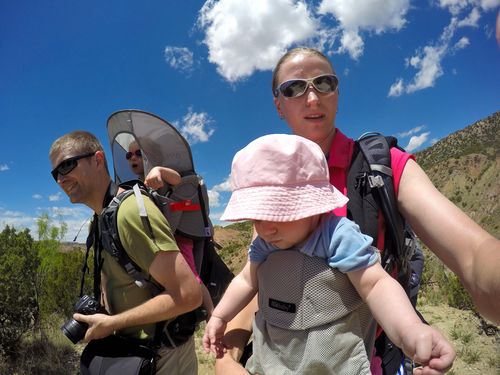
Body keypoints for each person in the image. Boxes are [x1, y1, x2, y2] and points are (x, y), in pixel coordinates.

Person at [216, 47, 500, 375]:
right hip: (279, 355)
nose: (312, 97)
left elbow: (475, 253)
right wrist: (228, 354)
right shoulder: (268, 192)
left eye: (324, 83)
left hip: (362, 356)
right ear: (278, 105)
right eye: (294, 88)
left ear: (337, 93)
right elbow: (261, 275)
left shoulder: (385, 167)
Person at [203, 134, 455, 374]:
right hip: (272, 362)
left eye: (278, 212)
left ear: (313, 205)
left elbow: (376, 284)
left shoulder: (337, 237)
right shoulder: (266, 244)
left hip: (336, 363)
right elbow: (247, 280)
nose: (265, 227)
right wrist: (220, 315)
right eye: (256, 217)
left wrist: (409, 329)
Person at [49, 131, 202, 374]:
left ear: (97, 159)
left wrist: (112, 323)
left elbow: (188, 295)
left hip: (163, 357)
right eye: (55, 173)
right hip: (133, 352)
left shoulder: (129, 212)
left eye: (67, 165)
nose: (60, 179)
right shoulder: (100, 218)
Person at [126, 140, 215, 320]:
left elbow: (177, 179)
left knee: (191, 277)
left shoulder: (159, 173)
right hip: (166, 236)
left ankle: (212, 315)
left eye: (138, 153)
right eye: (129, 155)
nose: (132, 158)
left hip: (180, 236)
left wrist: (158, 170)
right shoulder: (139, 184)